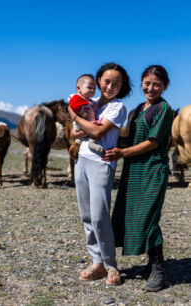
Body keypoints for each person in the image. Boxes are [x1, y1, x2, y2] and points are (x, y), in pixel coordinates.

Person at [102, 65, 173, 292]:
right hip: (134, 172)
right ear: (141, 83)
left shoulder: (163, 109)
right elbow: (129, 140)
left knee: (148, 219)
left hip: (152, 171)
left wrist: (122, 153)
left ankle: (159, 272)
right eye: (147, 83)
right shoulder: (137, 110)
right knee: (133, 217)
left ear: (165, 87)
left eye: (156, 85)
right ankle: (151, 264)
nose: (150, 88)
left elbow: (153, 142)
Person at [68, 63, 130, 285]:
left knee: (99, 215)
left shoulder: (117, 107)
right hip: (82, 160)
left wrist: (74, 115)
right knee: (86, 215)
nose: (110, 86)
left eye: (117, 83)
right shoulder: (90, 103)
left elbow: (97, 130)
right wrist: (78, 121)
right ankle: (97, 263)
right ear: (98, 81)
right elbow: (76, 133)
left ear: (122, 87)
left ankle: (111, 264)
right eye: (106, 81)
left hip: (102, 164)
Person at [68, 74, 104, 154]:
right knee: (94, 130)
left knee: (94, 130)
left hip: (87, 124)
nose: (92, 90)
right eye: (89, 88)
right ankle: (92, 143)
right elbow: (72, 106)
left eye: (94, 88)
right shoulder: (77, 98)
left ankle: (85, 142)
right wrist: (82, 113)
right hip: (81, 124)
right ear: (78, 88)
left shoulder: (90, 100)